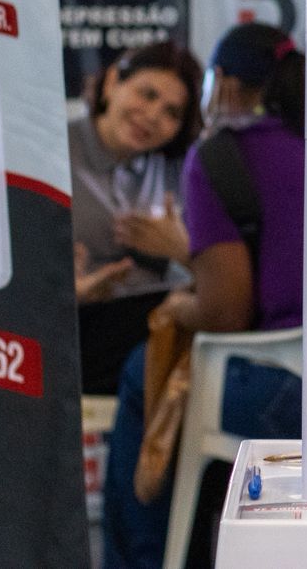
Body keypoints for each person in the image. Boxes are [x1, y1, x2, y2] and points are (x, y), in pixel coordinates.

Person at [101, 24, 307, 569]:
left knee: (144, 370)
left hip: (304, 399)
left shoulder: (220, 156)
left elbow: (224, 312)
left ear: (226, 86)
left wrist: (176, 305)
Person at [70, 41, 203, 394]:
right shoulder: (54, 149)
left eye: (172, 112)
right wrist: (73, 293)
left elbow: (211, 276)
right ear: (113, 82)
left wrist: (181, 249)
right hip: (76, 329)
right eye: (147, 94)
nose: (154, 115)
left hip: (155, 328)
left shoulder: (178, 171)